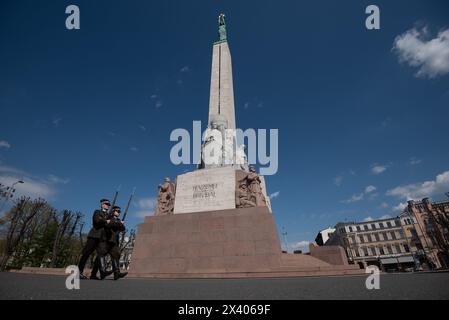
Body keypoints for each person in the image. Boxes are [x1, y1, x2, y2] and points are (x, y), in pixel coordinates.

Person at [77, 198, 113, 280]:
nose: (107, 206)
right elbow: (97, 221)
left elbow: (110, 225)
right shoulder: (97, 212)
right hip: (94, 236)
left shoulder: (108, 215)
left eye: (108, 205)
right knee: (86, 253)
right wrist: (106, 221)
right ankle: (79, 272)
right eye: (106, 204)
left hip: (102, 238)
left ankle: (93, 274)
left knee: (100, 256)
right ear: (102, 204)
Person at [96, 205, 128, 280]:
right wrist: (118, 222)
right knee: (101, 254)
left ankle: (117, 273)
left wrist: (121, 223)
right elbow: (108, 225)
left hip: (114, 241)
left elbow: (123, 229)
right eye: (117, 211)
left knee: (115, 255)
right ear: (113, 211)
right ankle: (103, 271)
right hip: (106, 239)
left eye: (119, 211)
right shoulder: (109, 218)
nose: (119, 213)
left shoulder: (118, 220)